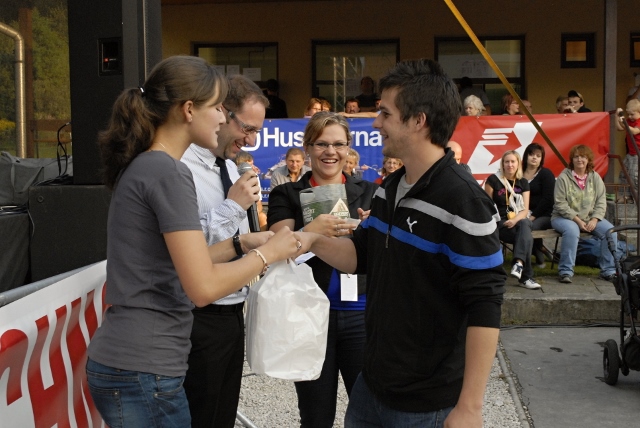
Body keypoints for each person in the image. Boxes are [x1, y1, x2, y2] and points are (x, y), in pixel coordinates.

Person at [85, 55, 303, 427]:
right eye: (217, 107)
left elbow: (178, 260)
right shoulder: (167, 171)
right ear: (188, 110)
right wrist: (268, 253)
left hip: (138, 363)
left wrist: (242, 244)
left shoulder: (151, 164)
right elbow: (202, 287)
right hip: (144, 365)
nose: (222, 118)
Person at [299, 59, 506, 428]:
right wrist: (308, 240)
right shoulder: (390, 188)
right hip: (371, 387)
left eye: (385, 113)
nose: (375, 123)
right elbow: (359, 255)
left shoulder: (464, 200)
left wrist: (470, 407)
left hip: (427, 404)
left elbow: (485, 306)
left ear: (418, 121)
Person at [268, 111, 378, 428]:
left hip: (361, 314)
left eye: (338, 144)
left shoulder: (370, 192)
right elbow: (277, 248)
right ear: (308, 148)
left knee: (371, 414)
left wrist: (372, 228)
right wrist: (312, 230)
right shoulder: (286, 193)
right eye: (321, 144)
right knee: (316, 416)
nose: (331, 152)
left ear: (348, 147)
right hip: (310, 316)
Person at [180, 74, 270, 428]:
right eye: (247, 128)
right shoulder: (180, 167)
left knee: (222, 415)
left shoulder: (232, 167)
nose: (251, 141)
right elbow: (184, 248)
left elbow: (241, 236)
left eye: (258, 132)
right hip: (198, 314)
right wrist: (232, 207)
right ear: (221, 113)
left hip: (234, 311)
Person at [551, 144, 617, 284]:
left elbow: (601, 201)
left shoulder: (595, 177)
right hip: (563, 218)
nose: (579, 160)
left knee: (611, 232)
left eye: (583, 157)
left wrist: (594, 219)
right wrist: (578, 221)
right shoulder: (563, 177)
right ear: (572, 159)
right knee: (572, 230)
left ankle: (608, 271)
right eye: (576, 157)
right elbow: (560, 204)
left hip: (589, 217)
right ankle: (565, 271)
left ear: (588, 160)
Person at [485, 151, 541, 290]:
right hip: (499, 222)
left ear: (518, 164)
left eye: (513, 162)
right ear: (502, 164)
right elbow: (487, 206)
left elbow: (525, 210)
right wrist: (503, 221)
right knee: (526, 237)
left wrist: (514, 220)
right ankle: (525, 276)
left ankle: (519, 263)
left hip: (518, 222)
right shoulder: (493, 180)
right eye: (507, 162)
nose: (510, 165)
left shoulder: (523, 182)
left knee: (524, 225)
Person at [522, 142, 555, 268]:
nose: (534, 157)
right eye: (531, 154)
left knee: (530, 226)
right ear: (526, 156)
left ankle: (538, 256)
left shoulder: (546, 174)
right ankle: (540, 249)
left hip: (545, 215)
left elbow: (548, 199)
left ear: (541, 159)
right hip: (523, 212)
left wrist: (533, 215)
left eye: (538, 155)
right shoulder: (518, 174)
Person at [615, 99, 640, 203]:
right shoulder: (629, 121)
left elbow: (634, 131)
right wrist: (617, 117)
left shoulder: (638, 122)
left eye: (632, 114)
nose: (629, 116)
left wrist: (624, 122)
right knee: (624, 173)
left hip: (637, 154)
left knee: (634, 176)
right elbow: (619, 128)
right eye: (628, 114)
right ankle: (625, 196)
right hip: (630, 153)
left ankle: (636, 197)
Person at [236, 151, 268, 229]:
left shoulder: (254, 176)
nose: (253, 168)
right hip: (236, 211)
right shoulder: (231, 175)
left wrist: (255, 213)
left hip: (250, 211)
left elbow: (258, 203)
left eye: (252, 164)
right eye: (249, 166)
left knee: (262, 217)